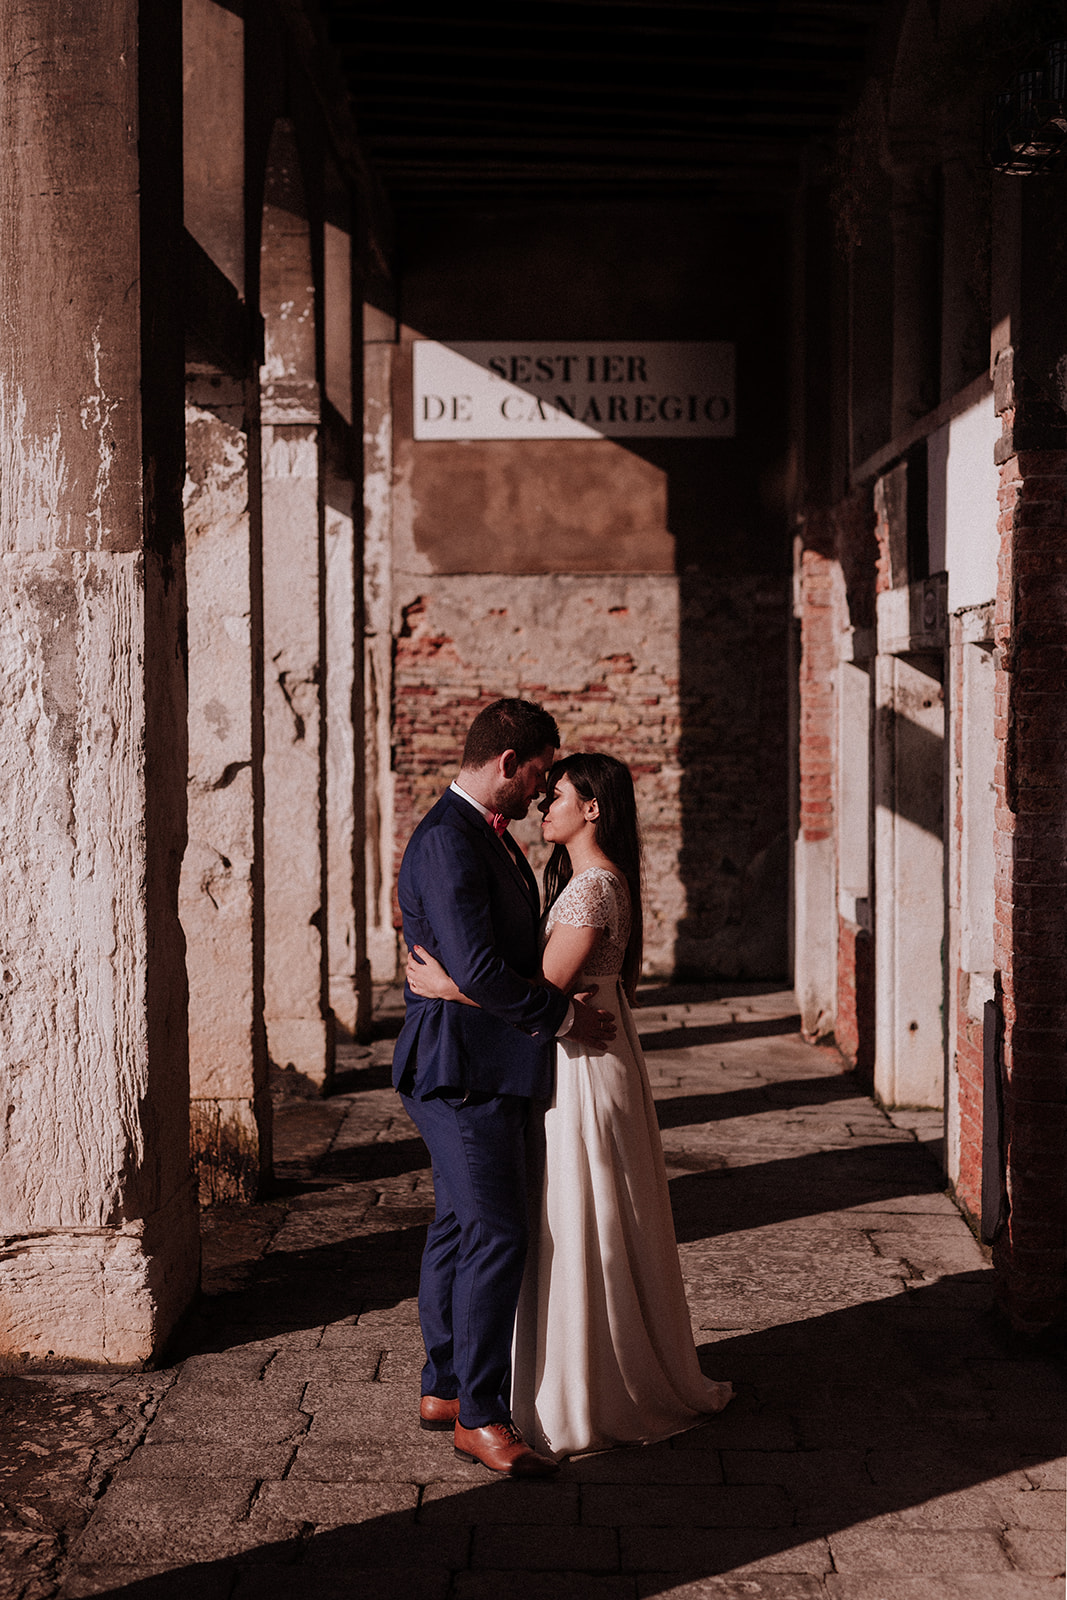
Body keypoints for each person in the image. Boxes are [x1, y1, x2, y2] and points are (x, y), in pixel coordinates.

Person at [407, 751, 733, 1460]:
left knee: (579, 1214)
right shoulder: (583, 881)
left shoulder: (591, 889)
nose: (542, 804)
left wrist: (445, 988)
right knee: (565, 1213)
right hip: (572, 1054)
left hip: (583, 1066)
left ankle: (587, 1380)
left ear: (592, 808)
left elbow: (543, 987)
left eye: (557, 794)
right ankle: (501, 1377)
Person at [393, 700, 617, 1479]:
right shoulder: (450, 841)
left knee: (459, 1227)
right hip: (461, 1069)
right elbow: (482, 971)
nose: (540, 788)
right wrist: (563, 1017)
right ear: (507, 761)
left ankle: (447, 1387)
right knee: (500, 1235)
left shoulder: (485, 836)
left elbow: (476, 968)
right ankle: (483, 1417)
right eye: (538, 772)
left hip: (480, 1060)